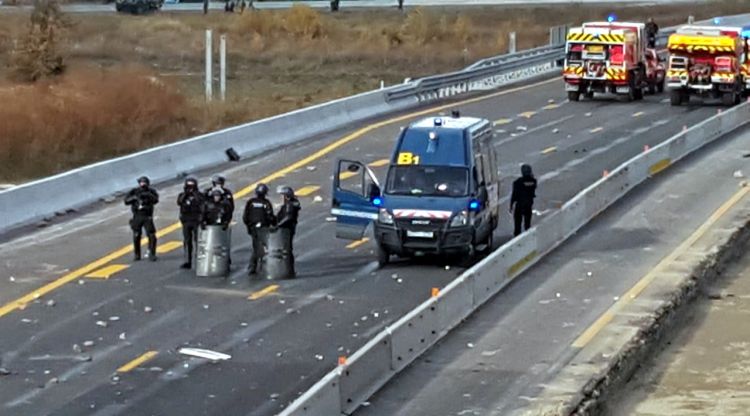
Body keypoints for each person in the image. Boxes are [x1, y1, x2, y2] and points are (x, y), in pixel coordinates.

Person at [242, 183, 275, 276]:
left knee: (256, 246)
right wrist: (274, 224)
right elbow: (270, 216)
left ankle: (253, 266)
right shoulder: (266, 203)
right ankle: (258, 265)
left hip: (252, 227)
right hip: (263, 228)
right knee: (263, 246)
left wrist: (248, 226)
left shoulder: (250, 202)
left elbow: (245, 216)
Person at [124, 176, 159, 261]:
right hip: (137, 216)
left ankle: (152, 253)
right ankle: (137, 254)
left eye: (144, 183)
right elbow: (126, 201)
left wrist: (147, 195)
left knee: (151, 235)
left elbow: (155, 200)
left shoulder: (151, 191)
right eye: (141, 182)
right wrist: (135, 198)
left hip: (147, 216)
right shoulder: (134, 191)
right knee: (136, 235)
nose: (143, 184)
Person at [177, 177, 203, 270]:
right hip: (186, 221)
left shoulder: (199, 195)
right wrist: (186, 194)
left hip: (196, 220)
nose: (190, 189)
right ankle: (187, 260)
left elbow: (201, 202)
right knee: (187, 241)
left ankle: (200, 260)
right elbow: (179, 202)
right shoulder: (182, 195)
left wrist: (194, 194)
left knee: (198, 241)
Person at [276, 186, 301, 276]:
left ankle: (288, 271)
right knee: (287, 249)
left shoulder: (289, 205)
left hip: (287, 229)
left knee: (286, 250)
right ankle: (288, 270)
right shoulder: (292, 203)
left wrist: (278, 225)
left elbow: (288, 217)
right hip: (288, 228)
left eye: (282, 195)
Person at [510, 164, 537, 237]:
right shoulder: (533, 181)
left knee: (517, 224)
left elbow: (514, 195)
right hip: (528, 205)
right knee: (527, 224)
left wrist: (511, 205)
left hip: (519, 205)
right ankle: (527, 236)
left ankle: (517, 236)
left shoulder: (517, 182)